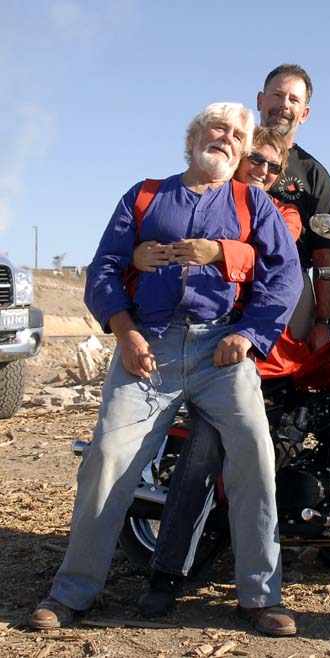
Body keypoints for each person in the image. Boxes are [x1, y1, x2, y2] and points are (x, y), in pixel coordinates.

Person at [28, 103, 302, 636]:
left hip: (220, 350)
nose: (226, 139)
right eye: (217, 128)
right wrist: (125, 332)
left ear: (244, 149)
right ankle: (70, 594)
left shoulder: (253, 202)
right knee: (107, 458)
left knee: (254, 456)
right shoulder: (145, 195)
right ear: (193, 136)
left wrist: (248, 336)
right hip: (146, 348)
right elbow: (102, 268)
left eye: (237, 134)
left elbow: (282, 276)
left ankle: (260, 597)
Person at [131, 126, 308, 620]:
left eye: (274, 168)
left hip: (279, 351)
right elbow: (240, 254)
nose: (263, 171)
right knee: (205, 452)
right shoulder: (222, 203)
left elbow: (283, 258)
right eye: (256, 160)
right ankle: (167, 573)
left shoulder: (273, 208)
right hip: (225, 353)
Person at [257, 64, 330, 352]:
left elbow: (325, 254)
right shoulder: (231, 155)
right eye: (277, 95)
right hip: (225, 281)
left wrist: (323, 323)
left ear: (304, 114)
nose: (284, 105)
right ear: (260, 100)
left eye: (294, 100)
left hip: (290, 287)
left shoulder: (313, 175)